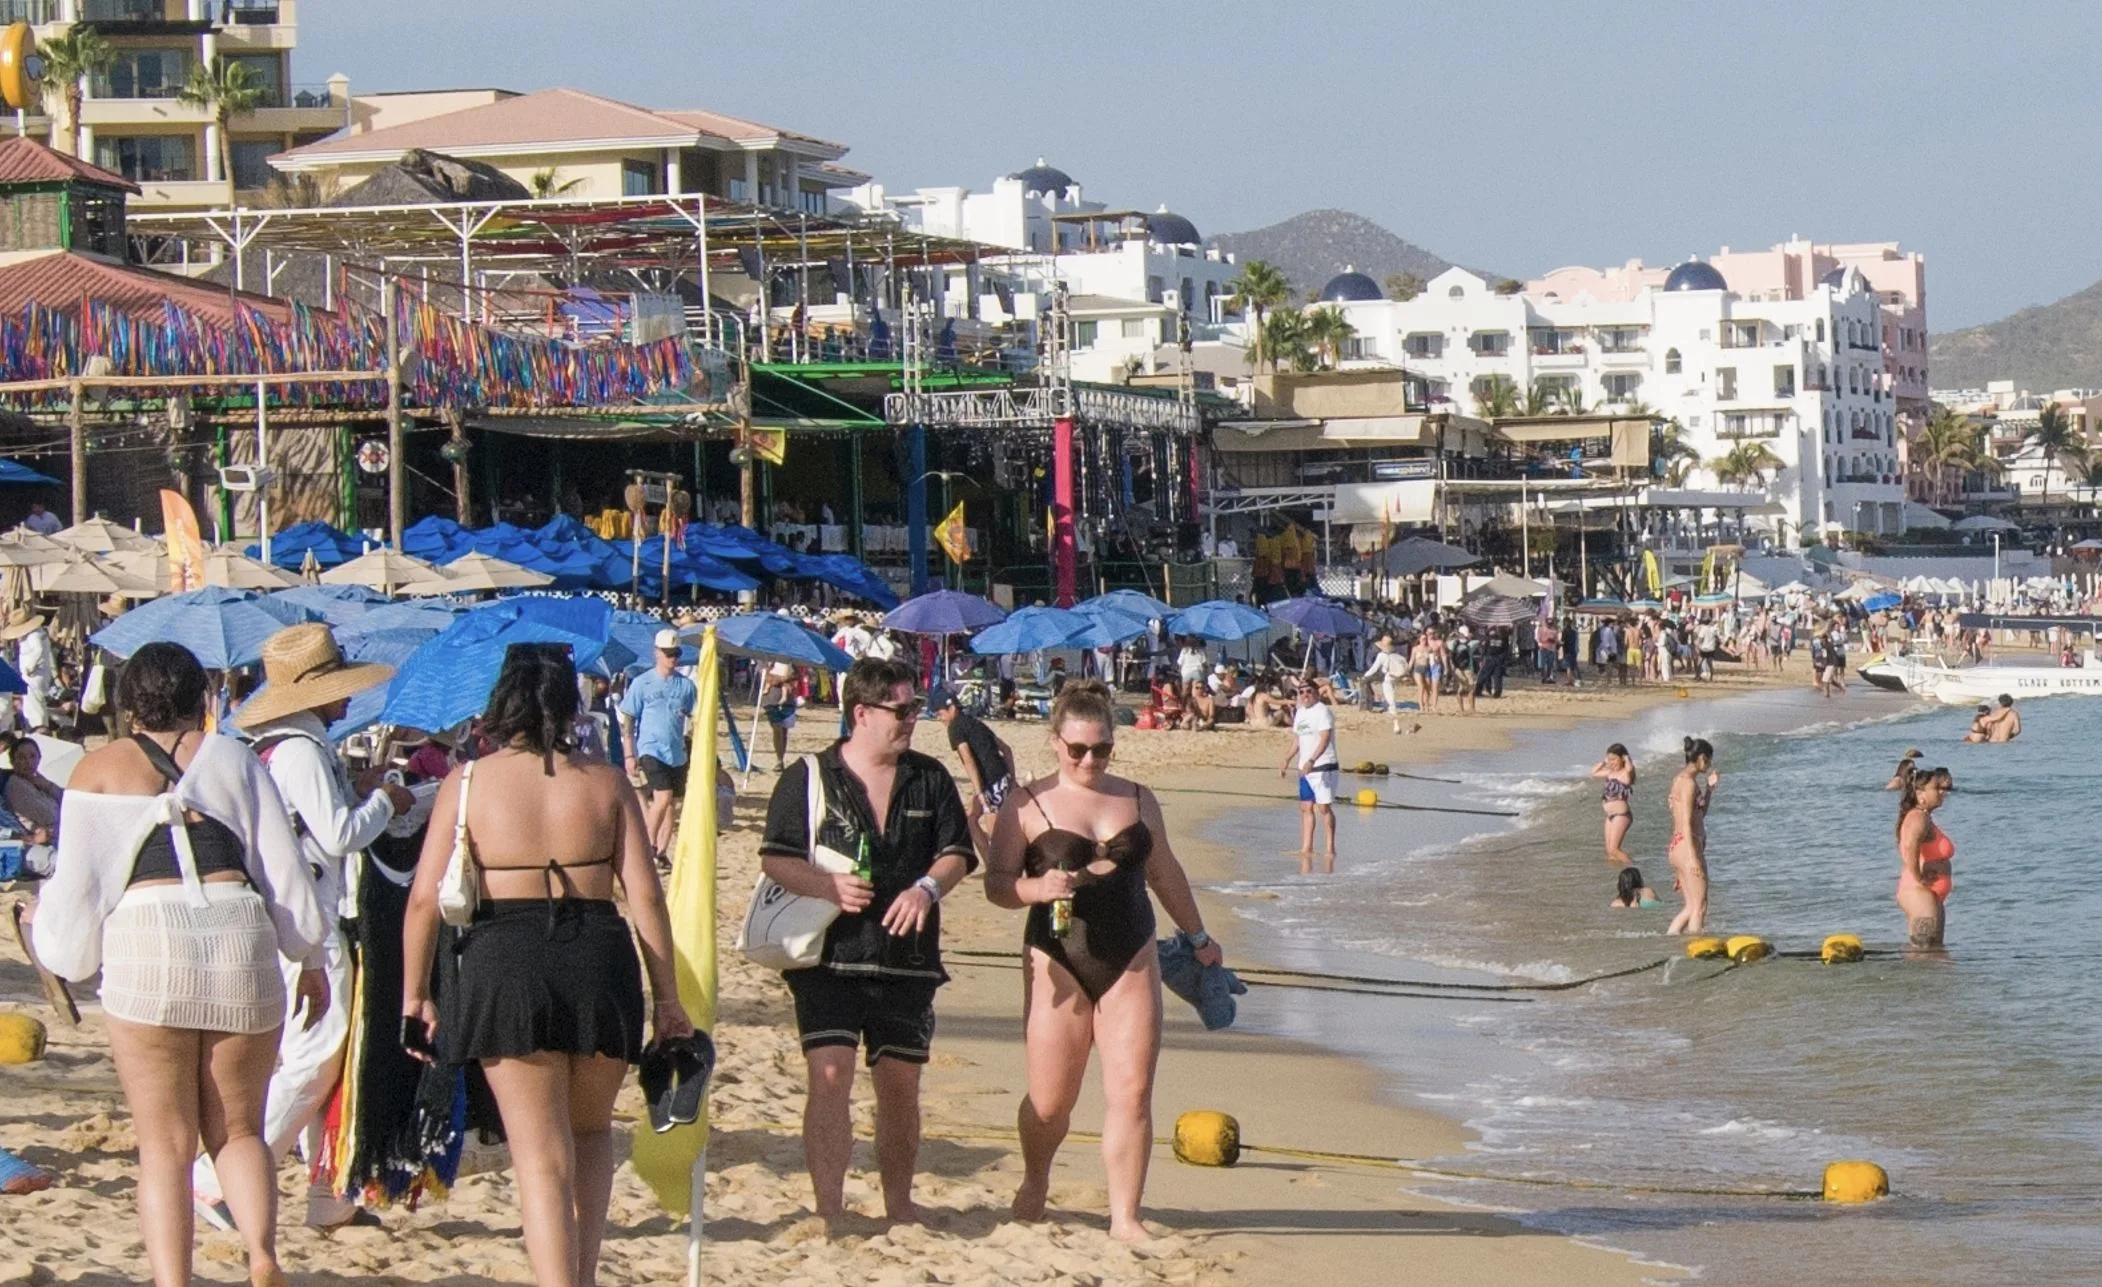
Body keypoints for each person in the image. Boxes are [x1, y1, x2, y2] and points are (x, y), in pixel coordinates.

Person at [35, 641, 331, 1287]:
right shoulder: (234, 757)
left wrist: (56, 944)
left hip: (149, 938)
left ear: (128, 700)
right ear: (203, 696)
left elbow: (80, 886)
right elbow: (280, 865)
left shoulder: (97, 769)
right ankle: (260, 1254)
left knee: (164, 1148)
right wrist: (306, 952)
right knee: (239, 1129)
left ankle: (174, 1280)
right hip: (237, 931)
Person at [402, 643, 691, 1287]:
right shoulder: (608, 781)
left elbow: (424, 898)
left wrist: (414, 995)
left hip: (505, 956)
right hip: (597, 953)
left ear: (501, 699)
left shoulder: (469, 782)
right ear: (569, 702)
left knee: (539, 1157)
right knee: (590, 1135)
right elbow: (644, 896)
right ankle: (582, 1277)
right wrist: (668, 997)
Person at [984, 679, 1223, 1242]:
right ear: (1054, 743)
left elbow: (1164, 872)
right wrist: (1036, 890)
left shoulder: (1137, 798)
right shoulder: (1027, 803)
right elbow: (997, 883)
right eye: (1078, 750)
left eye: (1102, 749)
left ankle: (1125, 1217)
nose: (1090, 760)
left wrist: (1198, 936)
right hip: (1056, 956)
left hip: (1132, 952)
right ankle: (1036, 1179)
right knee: (1049, 1103)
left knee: (1132, 1091)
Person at [202, 624, 411, 1231]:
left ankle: (331, 1193)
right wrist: (387, 802)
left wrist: (362, 792)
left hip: (295, 911)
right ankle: (221, 1177)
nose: (349, 697)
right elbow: (339, 834)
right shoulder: (300, 750)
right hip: (308, 917)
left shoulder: (283, 746)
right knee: (318, 1052)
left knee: (325, 1052)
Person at [757, 658, 975, 1226]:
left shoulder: (929, 777)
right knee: (829, 1079)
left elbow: (958, 853)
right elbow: (776, 858)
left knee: (899, 1088)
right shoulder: (808, 777)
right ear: (861, 712)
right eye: (901, 710)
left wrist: (927, 889)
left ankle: (898, 1206)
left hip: (909, 961)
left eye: (915, 709)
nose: (912, 719)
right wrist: (826, 884)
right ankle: (830, 1210)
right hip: (828, 958)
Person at [617, 630, 697, 862]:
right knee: (663, 797)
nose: (673, 658)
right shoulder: (642, 683)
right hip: (650, 749)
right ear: (657, 653)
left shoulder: (687, 686)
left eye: (676, 653)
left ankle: (661, 851)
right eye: (668, 653)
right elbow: (629, 722)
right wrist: (629, 755)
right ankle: (646, 847)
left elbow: (696, 716)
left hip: (677, 752)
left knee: (672, 804)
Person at [930, 687, 1013, 861]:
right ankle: (991, 863)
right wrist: (1011, 779)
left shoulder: (954, 728)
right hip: (1001, 777)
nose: (939, 719)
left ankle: (997, 867)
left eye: (939, 714)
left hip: (990, 782)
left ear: (951, 709)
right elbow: (1007, 749)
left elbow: (969, 761)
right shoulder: (974, 722)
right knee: (970, 818)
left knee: (995, 835)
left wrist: (980, 792)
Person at [1279, 681, 1339, 874]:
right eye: (1301, 692)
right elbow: (1297, 739)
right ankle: (1307, 847)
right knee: (1306, 807)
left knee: (1323, 807)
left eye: (1308, 691)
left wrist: (1312, 760)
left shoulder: (1322, 711)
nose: (1305, 694)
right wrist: (1287, 759)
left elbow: (1325, 738)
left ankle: (1330, 848)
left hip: (1323, 765)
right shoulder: (1301, 713)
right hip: (1304, 767)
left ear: (1316, 693)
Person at [1895, 765, 1956, 949]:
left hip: (1930, 894)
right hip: (1920, 893)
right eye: (1936, 789)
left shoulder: (1924, 817)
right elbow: (1909, 846)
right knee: (1923, 951)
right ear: (1920, 793)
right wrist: (1919, 877)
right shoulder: (1918, 818)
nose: (1942, 792)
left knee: (1935, 954)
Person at [1665, 737, 1718, 936]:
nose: (1710, 764)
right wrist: (1693, 858)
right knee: (1700, 907)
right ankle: (1695, 951)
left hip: (1677, 846)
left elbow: (1699, 815)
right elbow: (1687, 821)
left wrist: (1709, 791)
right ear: (1702, 758)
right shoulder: (1688, 784)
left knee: (1690, 907)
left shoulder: (1679, 780)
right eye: (1709, 760)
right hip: (1688, 846)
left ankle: (1669, 942)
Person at [3, 607, 54, 731]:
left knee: (35, 706)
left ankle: (38, 730)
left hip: (34, 674)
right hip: (34, 674)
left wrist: (30, 667)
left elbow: (38, 650)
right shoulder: (36, 634)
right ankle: (34, 728)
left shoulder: (35, 635)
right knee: (32, 706)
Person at [4, 735, 61, 836]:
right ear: (12, 761)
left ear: (39, 758)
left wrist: (48, 786)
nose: (28, 762)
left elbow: (65, 799)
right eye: (21, 757)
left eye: (33, 756)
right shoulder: (15, 785)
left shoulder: (37, 779)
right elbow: (49, 815)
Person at [1590, 743, 1636, 866]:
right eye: (1609, 759)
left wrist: (1627, 759)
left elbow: (1630, 769)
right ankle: (1617, 873)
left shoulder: (1625, 774)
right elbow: (1593, 773)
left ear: (1622, 759)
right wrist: (1604, 762)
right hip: (1610, 816)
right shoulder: (1610, 772)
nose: (1612, 762)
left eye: (1614, 759)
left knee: (1615, 850)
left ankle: (1633, 869)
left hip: (1621, 815)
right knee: (1610, 852)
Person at [760, 660, 799, 773]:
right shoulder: (769, 661)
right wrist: (782, 679)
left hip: (788, 700)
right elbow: (767, 677)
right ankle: (779, 760)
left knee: (784, 731)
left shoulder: (791, 660)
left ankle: (780, 759)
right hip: (770, 700)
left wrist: (780, 679)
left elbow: (795, 676)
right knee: (777, 729)